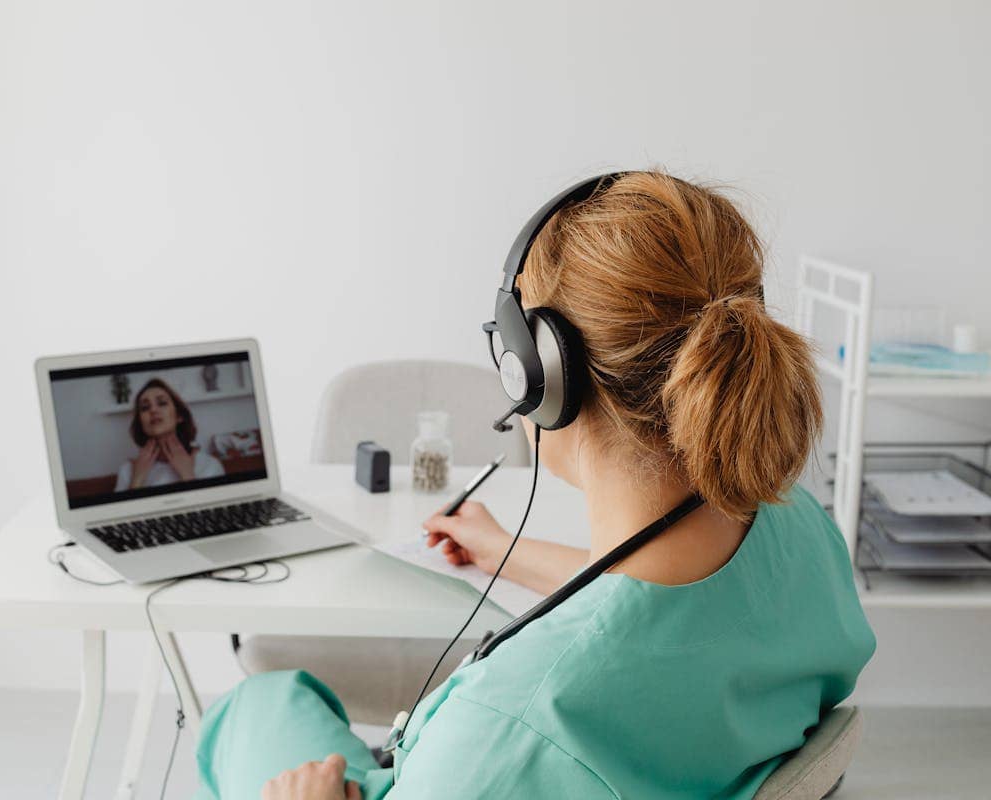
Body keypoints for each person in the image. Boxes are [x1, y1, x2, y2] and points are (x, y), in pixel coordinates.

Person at [193, 172, 876, 799]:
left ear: (543, 377)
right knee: (276, 699)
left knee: (252, 707)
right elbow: (665, 613)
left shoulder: (509, 725)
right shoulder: (800, 533)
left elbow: (518, 725)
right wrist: (502, 550)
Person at [114, 378, 225, 491]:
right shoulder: (128, 471)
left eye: (162, 403)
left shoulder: (209, 466)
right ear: (141, 423)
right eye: (145, 407)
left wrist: (188, 476)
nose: (153, 410)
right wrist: (137, 480)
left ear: (179, 416)